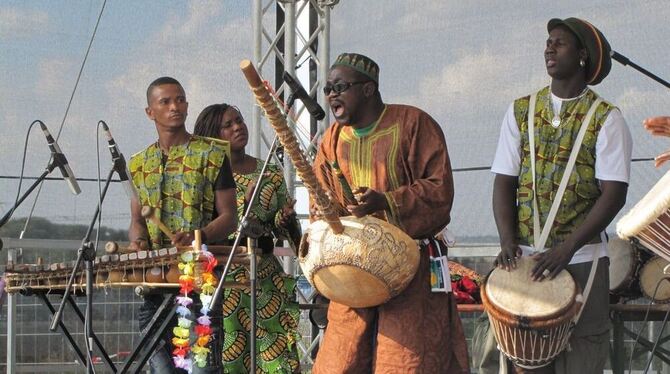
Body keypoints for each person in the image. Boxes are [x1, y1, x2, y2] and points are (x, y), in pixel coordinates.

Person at [477, 18, 632, 373]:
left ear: (582, 56)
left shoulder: (607, 119)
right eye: (548, 42)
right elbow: (504, 181)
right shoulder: (521, 110)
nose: (549, 47)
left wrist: (567, 249)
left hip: (582, 259)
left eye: (559, 43)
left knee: (582, 357)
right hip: (525, 259)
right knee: (518, 360)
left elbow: (614, 195)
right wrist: (506, 239)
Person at [310, 52, 470, 373]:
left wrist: (385, 201)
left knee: (406, 361)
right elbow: (321, 204)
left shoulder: (413, 123)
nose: (331, 96)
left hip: (411, 268)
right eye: (327, 89)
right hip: (352, 273)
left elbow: (439, 191)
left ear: (368, 89)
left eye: (340, 86)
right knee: (340, 360)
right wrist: (330, 217)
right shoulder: (332, 139)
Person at [128, 77, 238, 373]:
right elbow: (137, 221)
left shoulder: (213, 155)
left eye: (180, 100)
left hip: (201, 282)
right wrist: (137, 242)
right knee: (162, 369)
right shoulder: (138, 164)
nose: (175, 107)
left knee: (202, 369)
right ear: (150, 112)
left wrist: (197, 236)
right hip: (155, 284)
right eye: (165, 101)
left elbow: (230, 217)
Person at [193, 103, 302, 373]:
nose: (238, 127)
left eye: (239, 120)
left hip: (265, 280)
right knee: (230, 361)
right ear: (212, 135)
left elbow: (282, 230)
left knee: (278, 363)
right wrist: (244, 204)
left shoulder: (269, 173)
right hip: (224, 281)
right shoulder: (206, 176)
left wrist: (285, 219)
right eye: (227, 125)